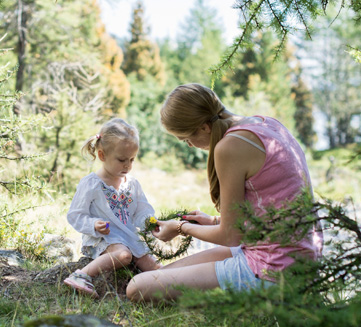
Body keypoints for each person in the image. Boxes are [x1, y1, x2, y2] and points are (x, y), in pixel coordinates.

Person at [126, 83, 322, 303]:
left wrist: (180, 227)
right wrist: (213, 221)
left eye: (186, 138)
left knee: (137, 288)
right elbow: (271, 206)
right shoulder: (266, 123)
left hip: (274, 269)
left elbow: (230, 236)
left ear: (203, 127)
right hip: (294, 258)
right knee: (154, 276)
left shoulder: (231, 146)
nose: (190, 145)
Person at [64, 118, 161, 297]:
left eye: (132, 160)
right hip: (104, 237)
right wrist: (93, 224)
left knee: (153, 266)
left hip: (127, 234)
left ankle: (164, 290)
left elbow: (142, 209)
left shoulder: (132, 184)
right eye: (122, 159)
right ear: (102, 156)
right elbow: (75, 215)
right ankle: (81, 275)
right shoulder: (91, 183)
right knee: (124, 256)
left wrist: (149, 221)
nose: (128, 165)